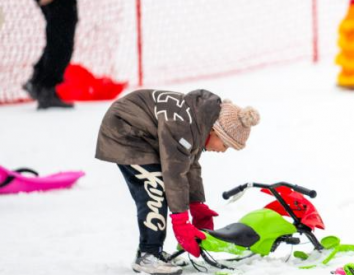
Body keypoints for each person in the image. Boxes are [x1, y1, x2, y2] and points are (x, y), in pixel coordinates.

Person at [95, 89, 260, 275]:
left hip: (143, 135)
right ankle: (148, 255)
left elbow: (189, 165)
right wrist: (181, 222)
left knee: (161, 186)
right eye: (226, 145)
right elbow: (174, 173)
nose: (223, 151)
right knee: (155, 189)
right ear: (216, 131)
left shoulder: (199, 122)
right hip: (126, 132)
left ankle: (152, 251)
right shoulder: (185, 126)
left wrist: (197, 204)